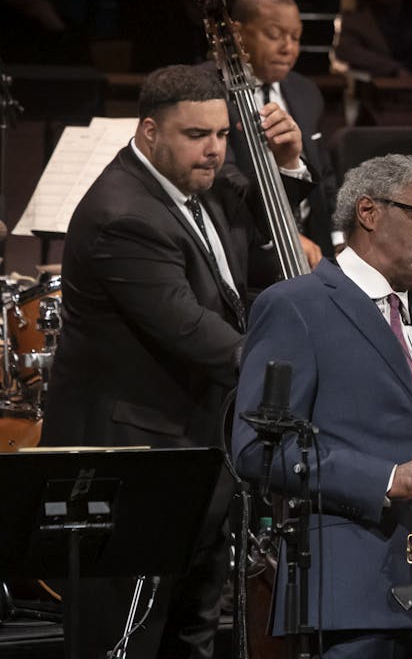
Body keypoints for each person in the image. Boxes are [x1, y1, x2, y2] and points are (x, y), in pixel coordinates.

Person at [231, 154, 412, 658]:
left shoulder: (408, 314)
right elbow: (257, 451)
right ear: (369, 211)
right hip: (350, 595)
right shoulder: (295, 304)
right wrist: (389, 478)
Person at [40, 65, 258, 658]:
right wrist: (293, 370)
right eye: (196, 135)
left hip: (186, 457)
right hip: (130, 472)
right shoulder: (125, 214)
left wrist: (286, 166)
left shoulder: (190, 186)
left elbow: (250, 253)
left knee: (191, 633)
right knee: (126, 642)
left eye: (222, 134)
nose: (214, 151)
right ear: (149, 131)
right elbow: (193, 331)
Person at [225, 0, 339, 290]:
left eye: (296, 37)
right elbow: (224, 183)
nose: (288, 48)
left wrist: (340, 240)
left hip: (314, 246)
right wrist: (283, 234)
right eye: (275, 35)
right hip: (250, 249)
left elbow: (324, 175)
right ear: (238, 33)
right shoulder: (208, 92)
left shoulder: (306, 91)